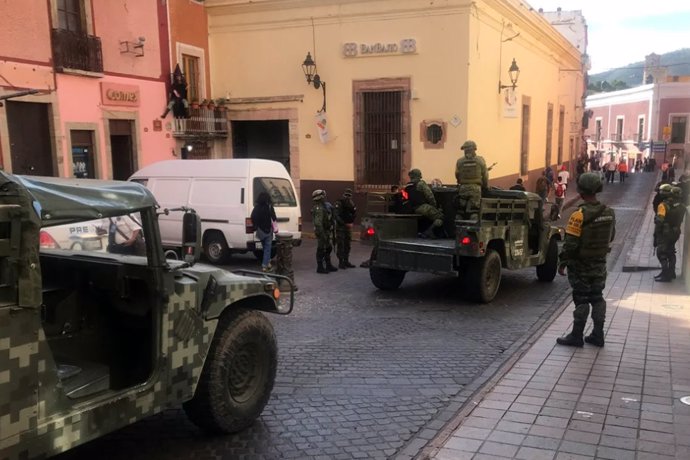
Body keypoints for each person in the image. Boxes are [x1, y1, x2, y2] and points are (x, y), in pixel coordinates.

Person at [556, 172, 616, 347]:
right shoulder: (609, 212)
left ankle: (576, 336)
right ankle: (598, 335)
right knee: (597, 297)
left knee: (581, 299)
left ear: (581, 191)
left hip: (581, 266)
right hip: (599, 264)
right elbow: (611, 236)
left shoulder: (578, 215)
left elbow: (571, 244)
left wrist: (563, 262)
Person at [653, 185, 686, 282]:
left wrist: (656, 233)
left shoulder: (663, 205)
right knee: (671, 251)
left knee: (661, 253)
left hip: (665, 233)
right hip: (676, 232)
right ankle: (671, 273)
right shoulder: (682, 206)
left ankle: (665, 275)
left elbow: (659, 221)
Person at [455, 140, 488, 220]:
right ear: (474, 149)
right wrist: (485, 186)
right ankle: (472, 230)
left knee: (460, 212)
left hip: (463, 188)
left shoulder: (460, 161)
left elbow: (457, 174)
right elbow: (485, 175)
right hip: (475, 189)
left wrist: (461, 182)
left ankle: (457, 229)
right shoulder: (480, 160)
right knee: (474, 211)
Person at [405, 169, 444, 238]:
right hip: (422, 207)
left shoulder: (407, 186)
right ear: (419, 175)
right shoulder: (421, 184)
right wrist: (434, 206)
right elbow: (430, 196)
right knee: (440, 217)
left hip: (411, 208)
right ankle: (428, 232)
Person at [311, 189, 338, 274]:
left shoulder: (324, 206)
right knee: (321, 248)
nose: (325, 198)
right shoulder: (318, 208)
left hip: (326, 230)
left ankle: (328, 264)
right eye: (323, 196)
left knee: (328, 247)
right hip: (321, 231)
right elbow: (318, 223)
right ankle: (320, 267)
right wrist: (322, 234)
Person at [251, 191, 277, 272]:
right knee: (267, 249)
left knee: (264, 248)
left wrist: (256, 226)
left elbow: (252, 217)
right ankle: (264, 266)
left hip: (260, 231)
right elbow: (274, 218)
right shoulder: (269, 207)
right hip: (268, 230)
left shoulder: (257, 207)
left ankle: (268, 262)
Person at [334, 188, 357, 269]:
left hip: (347, 226)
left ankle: (346, 261)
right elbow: (336, 215)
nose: (347, 197)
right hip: (341, 227)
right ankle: (341, 262)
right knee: (341, 244)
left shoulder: (351, 203)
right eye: (347, 195)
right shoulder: (339, 203)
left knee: (347, 244)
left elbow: (354, 213)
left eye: (349, 195)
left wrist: (350, 222)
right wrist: (344, 223)